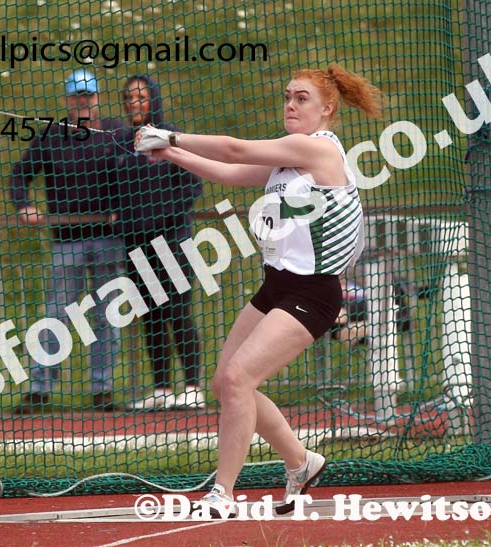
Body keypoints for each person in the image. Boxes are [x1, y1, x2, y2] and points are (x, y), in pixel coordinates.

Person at [134, 64, 382, 514]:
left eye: (301, 98)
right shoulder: (288, 158)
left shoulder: (318, 151)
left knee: (238, 378)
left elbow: (233, 147)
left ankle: (223, 493)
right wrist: (170, 154)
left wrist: (170, 136)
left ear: (327, 109)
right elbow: (228, 170)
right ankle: (301, 461)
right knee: (225, 383)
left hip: (314, 294)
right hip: (276, 287)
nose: (290, 104)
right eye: (287, 96)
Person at [9, 69, 125, 412]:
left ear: (97, 99)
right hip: (65, 242)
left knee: (106, 317)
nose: (82, 103)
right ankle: (39, 389)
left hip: (109, 240)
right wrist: (24, 205)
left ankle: (102, 390)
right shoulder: (51, 135)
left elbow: (136, 172)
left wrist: (126, 209)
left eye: (88, 97)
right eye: (76, 97)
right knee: (55, 316)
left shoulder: (116, 132)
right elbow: (20, 174)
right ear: (67, 100)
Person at [117, 75, 205, 410]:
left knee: (178, 311)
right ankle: (162, 388)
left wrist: (164, 220)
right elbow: (115, 189)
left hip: (172, 240)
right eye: (128, 98)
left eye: (140, 97)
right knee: (150, 314)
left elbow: (192, 187)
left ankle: (193, 387)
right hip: (135, 243)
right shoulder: (123, 142)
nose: (134, 103)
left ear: (153, 98)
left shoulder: (169, 138)